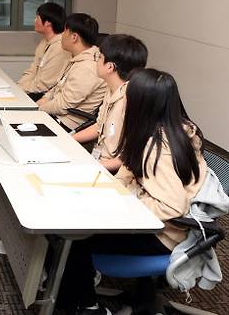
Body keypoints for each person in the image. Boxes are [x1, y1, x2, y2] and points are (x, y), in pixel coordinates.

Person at [56, 68, 208, 315]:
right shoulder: (170, 128)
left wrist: (123, 207)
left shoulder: (159, 147)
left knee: (73, 239)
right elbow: (132, 176)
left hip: (164, 235)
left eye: (129, 96)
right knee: (75, 226)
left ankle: (86, 307)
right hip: (158, 221)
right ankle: (72, 294)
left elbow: (172, 206)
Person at [72, 34, 148, 173]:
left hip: (113, 172)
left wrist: (92, 167)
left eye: (99, 57)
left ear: (110, 67)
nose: (96, 61)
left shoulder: (131, 100)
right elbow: (99, 126)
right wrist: (69, 139)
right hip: (98, 160)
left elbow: (128, 157)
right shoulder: (111, 89)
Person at [36, 13, 107, 131]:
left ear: (74, 37)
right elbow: (57, 86)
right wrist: (42, 101)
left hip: (65, 124)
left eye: (64, 31)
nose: (62, 35)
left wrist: (38, 109)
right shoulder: (78, 58)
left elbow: (64, 105)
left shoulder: (88, 67)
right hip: (55, 115)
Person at [17, 2, 70, 101]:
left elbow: (44, 84)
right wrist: (17, 87)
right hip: (34, 91)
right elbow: (32, 70)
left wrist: (19, 91)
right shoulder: (45, 41)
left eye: (37, 18)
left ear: (48, 23)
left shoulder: (60, 47)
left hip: (45, 96)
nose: (35, 21)